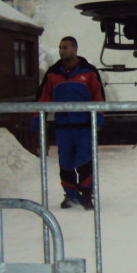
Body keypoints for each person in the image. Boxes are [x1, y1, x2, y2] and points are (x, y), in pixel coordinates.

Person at [33, 36, 105, 209]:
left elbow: (98, 97)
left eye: (65, 47)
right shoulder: (53, 73)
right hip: (63, 128)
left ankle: (87, 194)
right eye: (60, 47)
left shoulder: (89, 71)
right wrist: (37, 120)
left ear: (75, 49)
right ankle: (70, 195)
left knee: (85, 160)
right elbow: (43, 98)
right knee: (65, 162)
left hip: (84, 127)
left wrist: (99, 118)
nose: (61, 51)